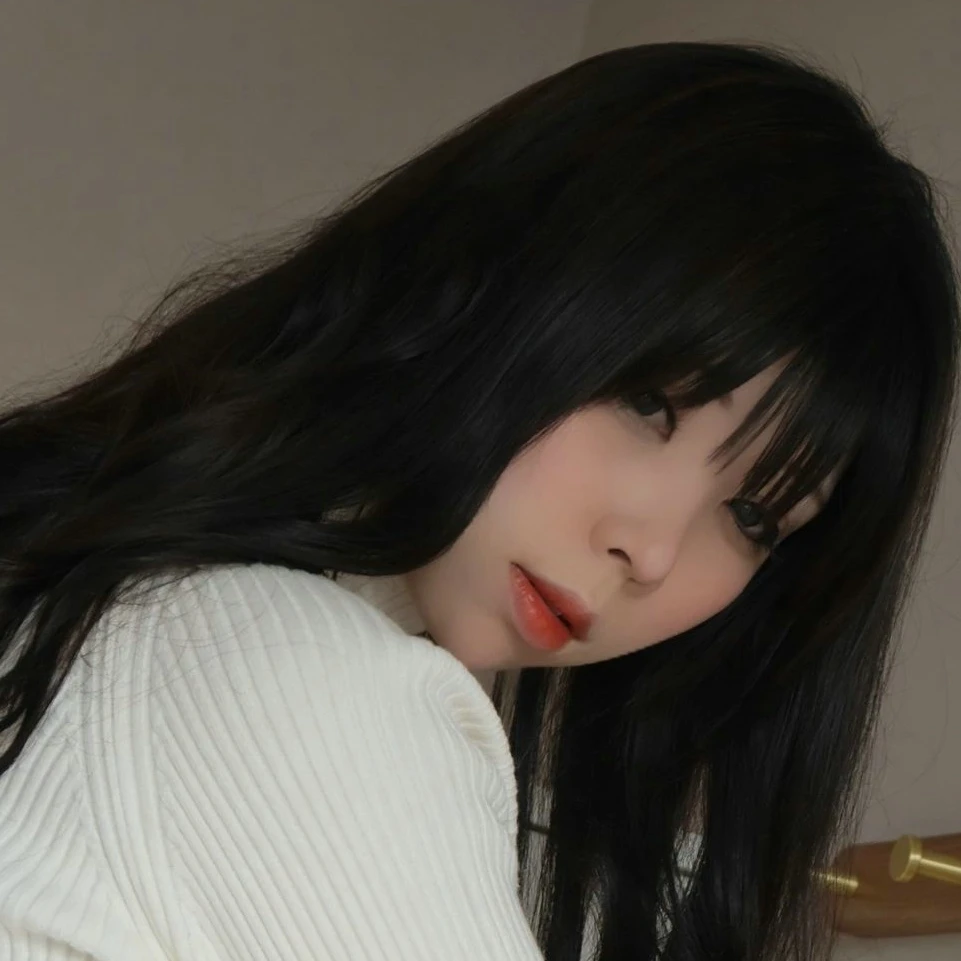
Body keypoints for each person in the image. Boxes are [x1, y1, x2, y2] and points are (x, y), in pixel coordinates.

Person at [0, 39, 957, 961]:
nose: (653, 550)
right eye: (649, 402)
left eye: (755, 518)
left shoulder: (141, 610)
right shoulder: (282, 667)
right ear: (491, 276)